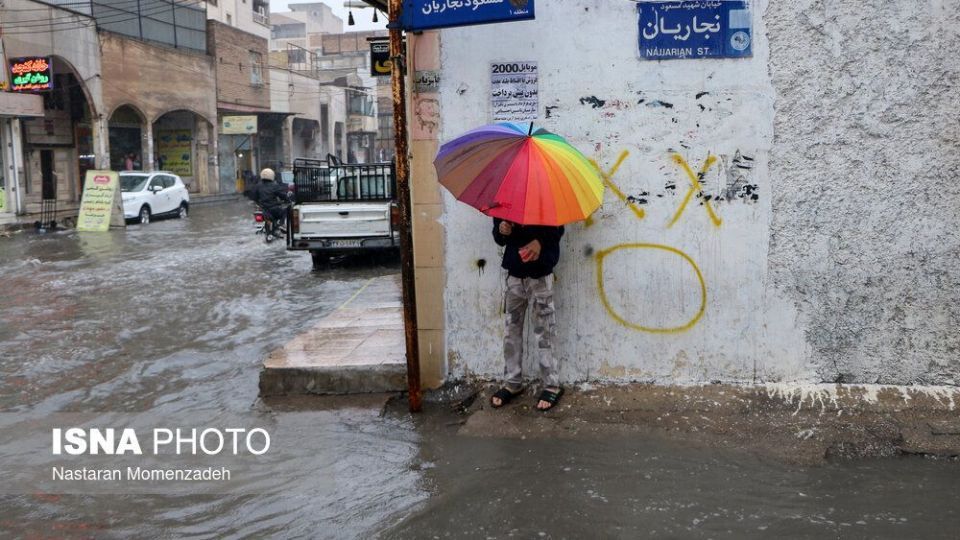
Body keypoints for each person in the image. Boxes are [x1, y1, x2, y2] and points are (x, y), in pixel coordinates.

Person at [490, 217, 565, 411]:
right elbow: (499, 239)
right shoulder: (504, 198)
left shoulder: (545, 193)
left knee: (545, 330)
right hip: (515, 273)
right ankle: (512, 383)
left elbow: (558, 227)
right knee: (511, 330)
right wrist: (501, 230)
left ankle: (551, 384)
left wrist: (539, 242)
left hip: (540, 273)